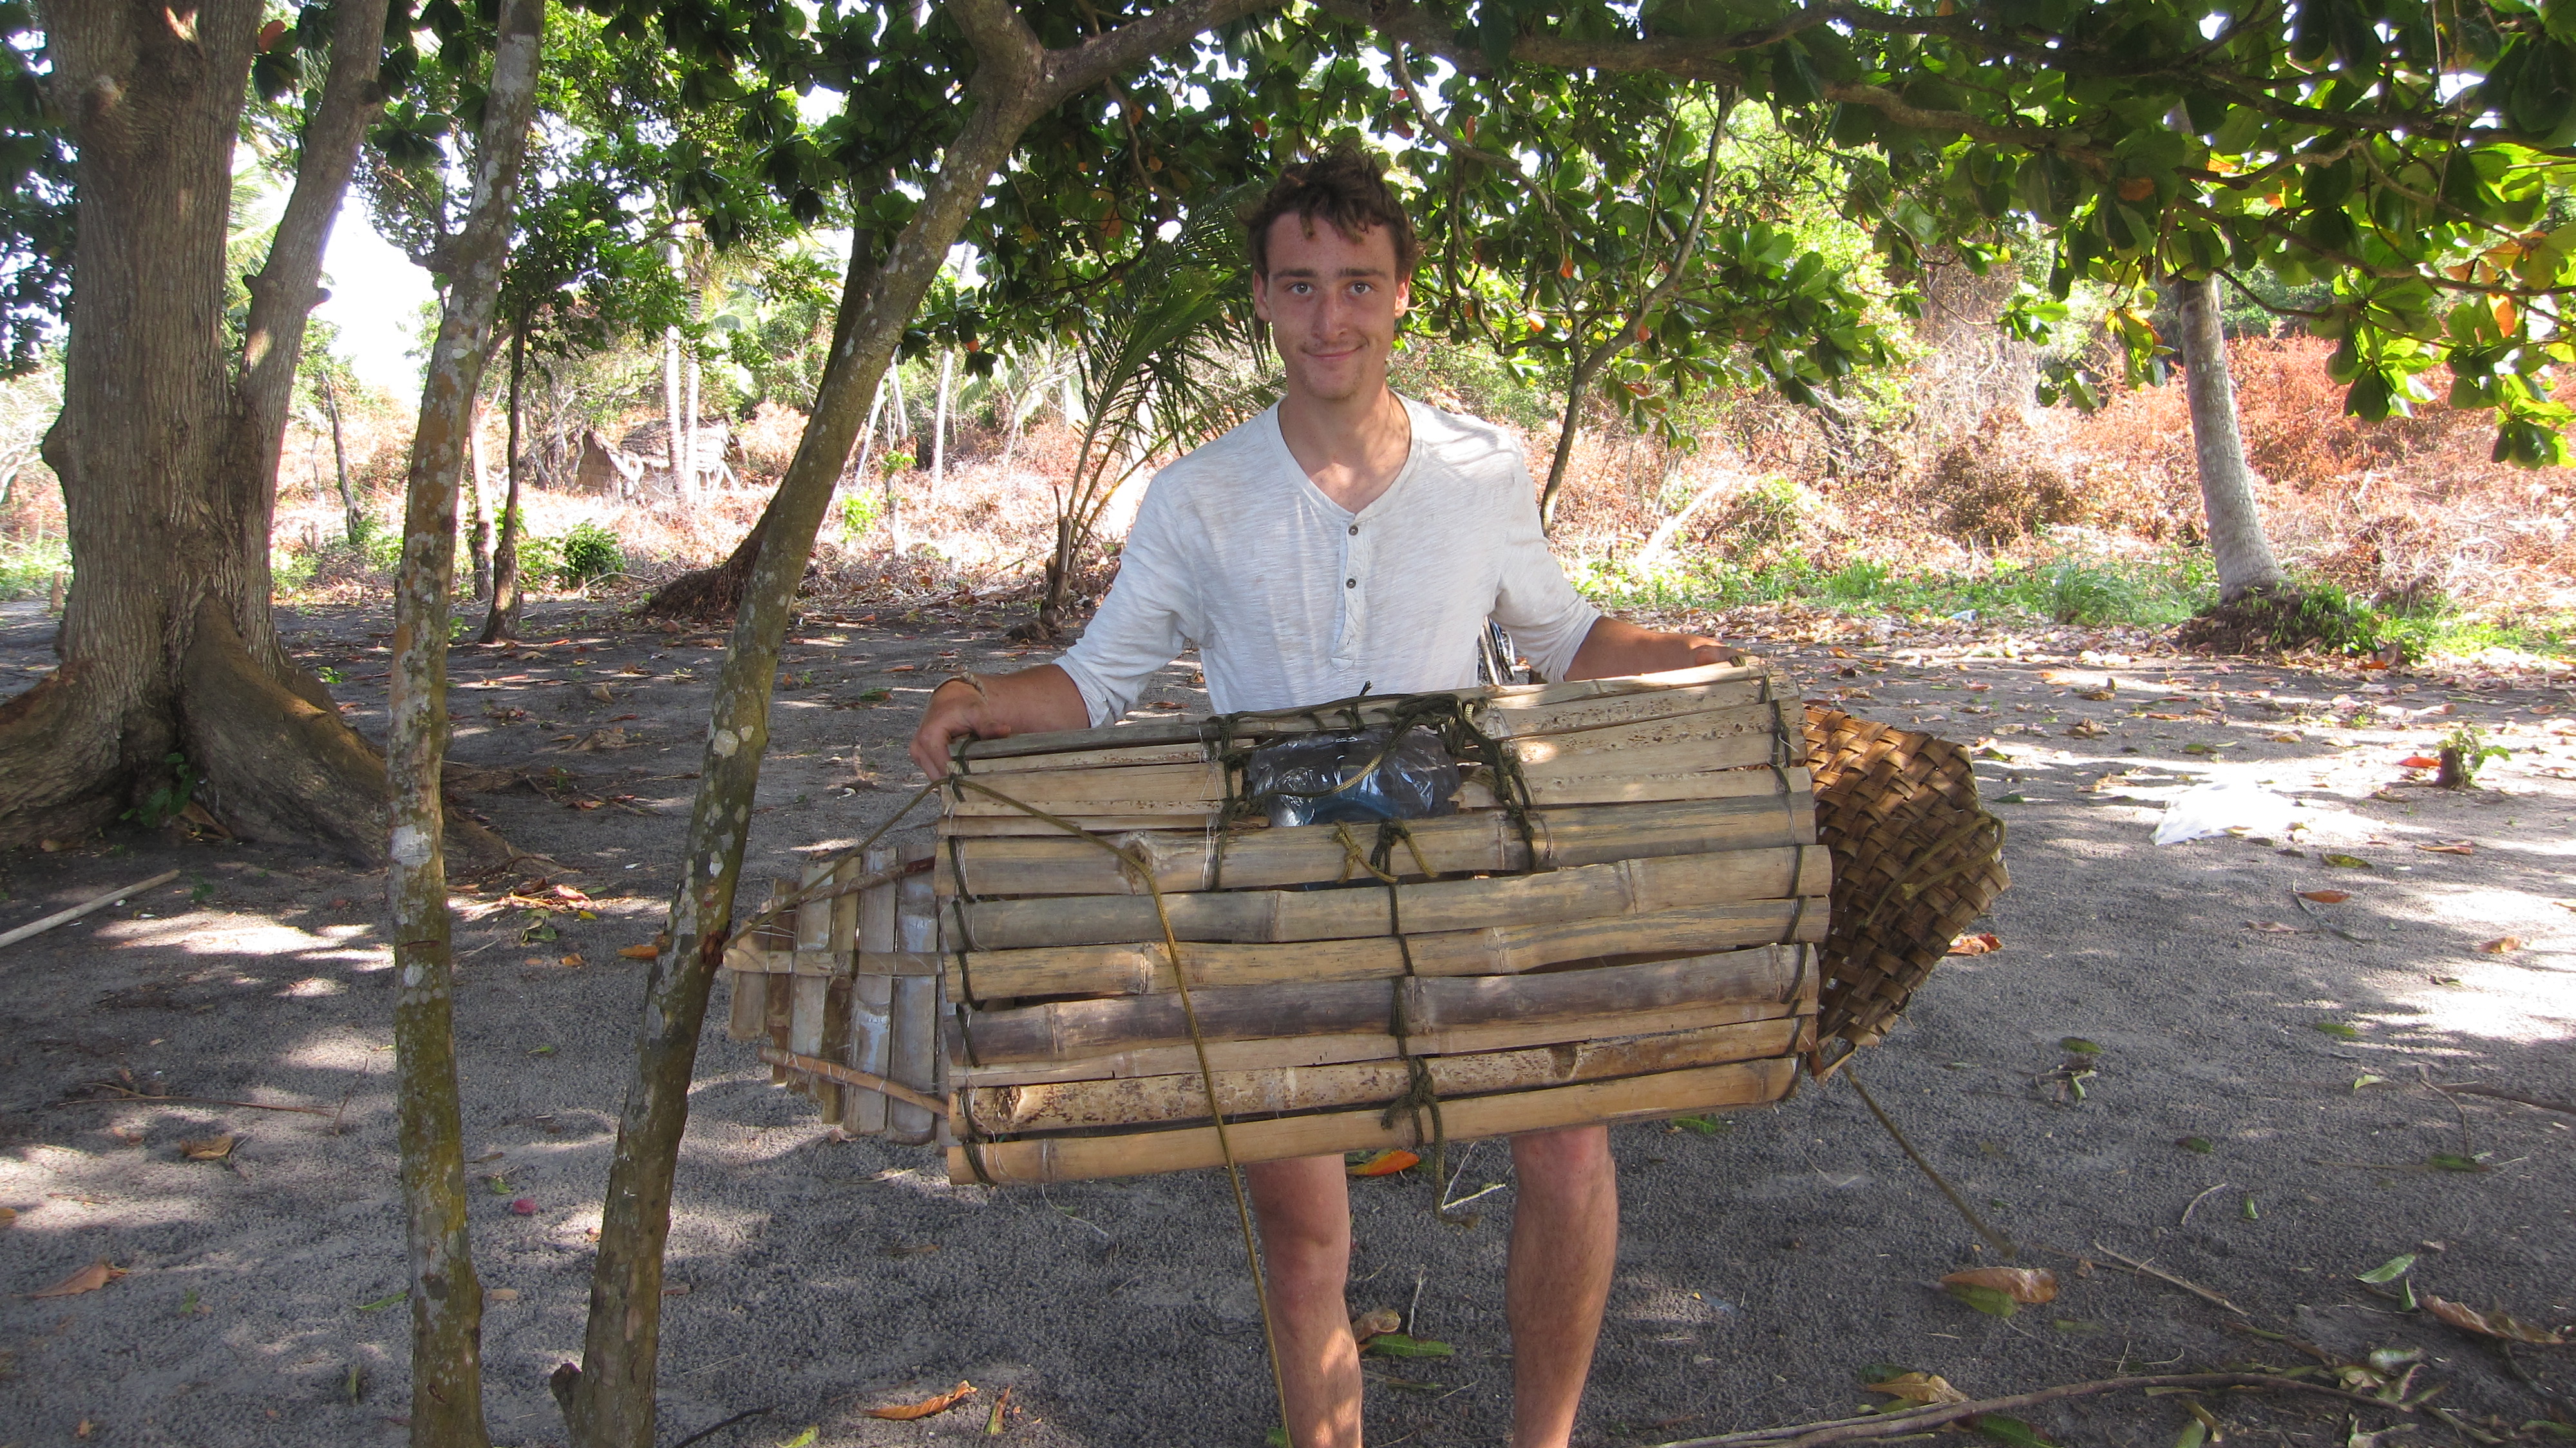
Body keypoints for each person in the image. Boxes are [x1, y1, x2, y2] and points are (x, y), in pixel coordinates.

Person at [909, 148, 1739, 1448]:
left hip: (1464, 868)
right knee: (1303, 1238)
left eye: (1357, 283)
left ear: (1403, 293)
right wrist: (981, 696)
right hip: (1273, 890)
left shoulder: (1480, 467)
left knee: (1570, 1148)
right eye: (1299, 285)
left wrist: (1691, 658)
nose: (1329, 317)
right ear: (1260, 298)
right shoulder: (1198, 495)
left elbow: (1565, 635)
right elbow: (1097, 679)